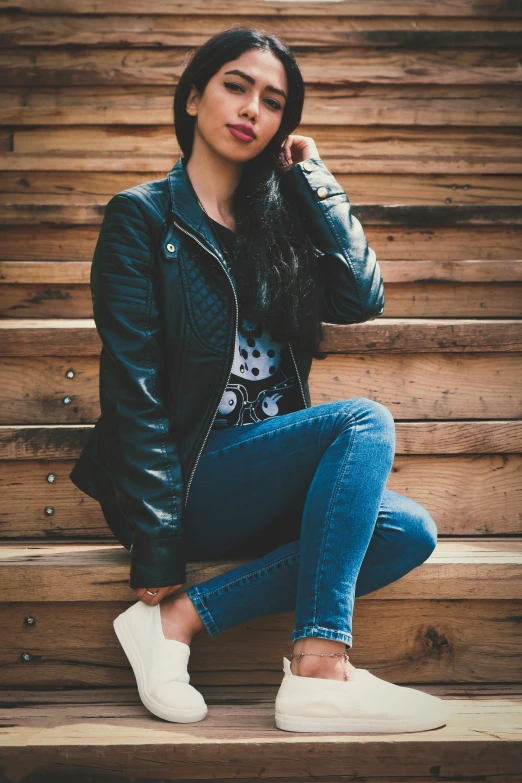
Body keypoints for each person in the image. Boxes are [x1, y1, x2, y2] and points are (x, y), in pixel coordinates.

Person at [70, 26, 452, 732]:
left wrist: (312, 177)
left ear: (282, 126)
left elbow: (362, 298)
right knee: (362, 420)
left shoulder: (278, 227)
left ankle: (180, 620)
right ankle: (319, 668)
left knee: (408, 529)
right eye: (235, 86)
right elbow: (135, 388)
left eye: (273, 101)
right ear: (192, 97)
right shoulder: (143, 218)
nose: (251, 108)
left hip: (261, 471)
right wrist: (159, 543)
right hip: (184, 477)